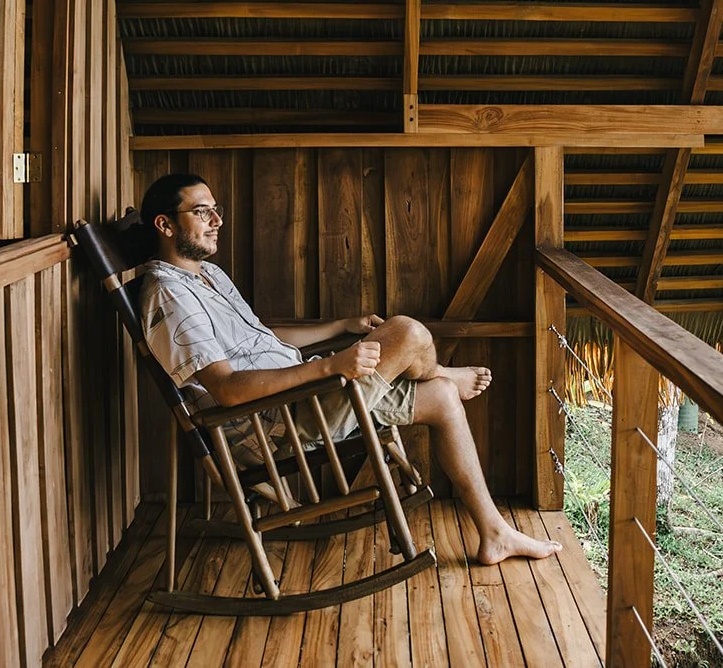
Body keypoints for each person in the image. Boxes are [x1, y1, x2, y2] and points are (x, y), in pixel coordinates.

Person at [135, 172, 561, 566]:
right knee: (408, 332)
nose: (216, 221)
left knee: (443, 398)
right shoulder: (169, 295)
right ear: (165, 225)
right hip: (276, 422)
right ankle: (441, 370)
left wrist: (340, 327)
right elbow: (227, 389)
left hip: (301, 398)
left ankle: (494, 533)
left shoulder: (206, 275)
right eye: (201, 212)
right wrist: (329, 367)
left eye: (216, 210)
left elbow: (260, 337)